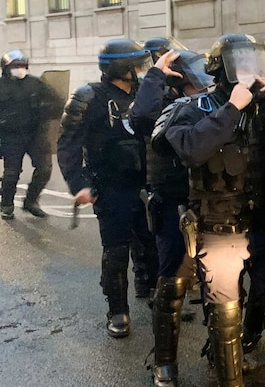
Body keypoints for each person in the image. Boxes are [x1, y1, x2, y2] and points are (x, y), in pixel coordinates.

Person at [162, 34, 265, 387]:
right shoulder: (194, 107)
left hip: (264, 224)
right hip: (218, 225)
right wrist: (232, 108)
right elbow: (192, 148)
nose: (251, 72)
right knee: (225, 313)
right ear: (220, 69)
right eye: (242, 63)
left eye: (256, 63)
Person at [57, 38, 159, 338]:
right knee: (116, 251)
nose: (141, 69)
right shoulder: (89, 97)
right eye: (136, 64)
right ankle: (117, 310)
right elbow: (68, 143)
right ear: (121, 67)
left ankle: (152, 291)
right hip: (111, 186)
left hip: (146, 181)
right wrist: (79, 184)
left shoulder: (145, 92)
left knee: (152, 241)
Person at [129, 47, 213, 387]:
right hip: (175, 207)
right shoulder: (166, 105)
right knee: (173, 282)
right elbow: (141, 119)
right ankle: (165, 360)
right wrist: (156, 76)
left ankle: (224, 355)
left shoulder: (213, 101)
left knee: (220, 286)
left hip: (215, 202)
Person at [0, 50, 64, 219]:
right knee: (11, 173)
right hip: (10, 136)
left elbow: (56, 101)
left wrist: (46, 111)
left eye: (22, 65)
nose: (19, 69)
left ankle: (31, 201)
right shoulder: (1, 86)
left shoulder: (36, 83)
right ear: (6, 68)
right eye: (15, 66)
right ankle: (6, 204)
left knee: (44, 168)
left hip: (34, 134)